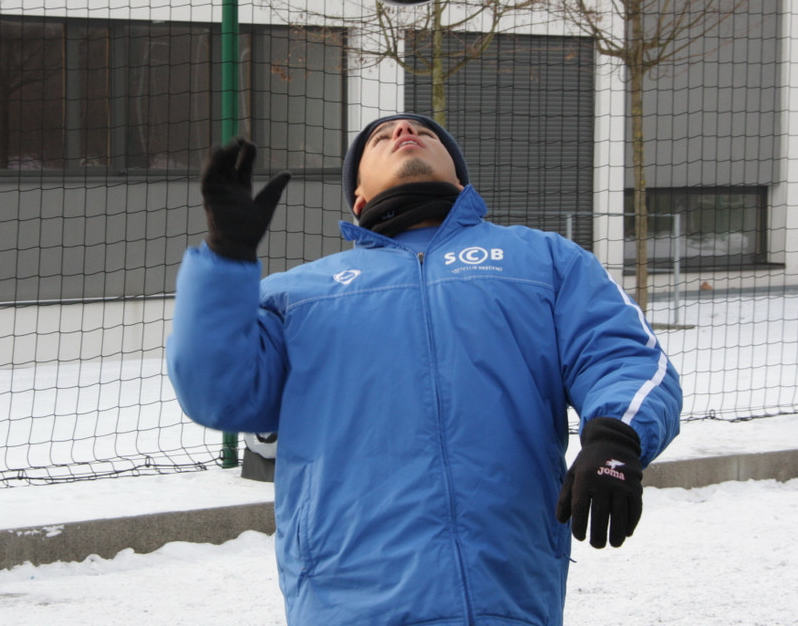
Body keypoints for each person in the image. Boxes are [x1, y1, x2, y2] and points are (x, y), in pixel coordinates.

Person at [167, 114, 682, 626]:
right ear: (358, 197)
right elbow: (216, 392)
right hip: (345, 599)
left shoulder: (544, 261)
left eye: (425, 132)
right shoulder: (296, 296)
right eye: (380, 137)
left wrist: (615, 436)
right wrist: (226, 261)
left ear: (460, 178)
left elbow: (622, 355)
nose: (404, 133)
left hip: (505, 593)